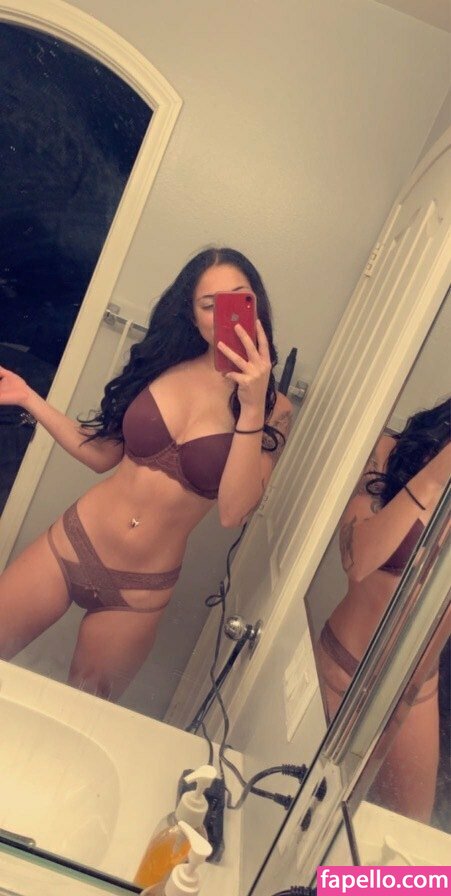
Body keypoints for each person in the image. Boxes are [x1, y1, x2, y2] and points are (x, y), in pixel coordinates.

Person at [0, 247, 293, 701]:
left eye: (238, 298)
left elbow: (233, 511)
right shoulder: (163, 365)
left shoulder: (276, 410)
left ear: (257, 306)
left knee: (81, 709)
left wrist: (252, 405)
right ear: (192, 315)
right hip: (71, 543)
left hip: (138, 592)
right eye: (209, 305)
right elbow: (102, 455)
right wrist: (27, 397)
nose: (224, 315)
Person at [316, 397, 450, 822]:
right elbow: (355, 560)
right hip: (343, 669)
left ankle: (346, 877)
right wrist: (438, 475)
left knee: (407, 832)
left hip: (415, 692)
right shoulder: (392, 453)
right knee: (304, 805)